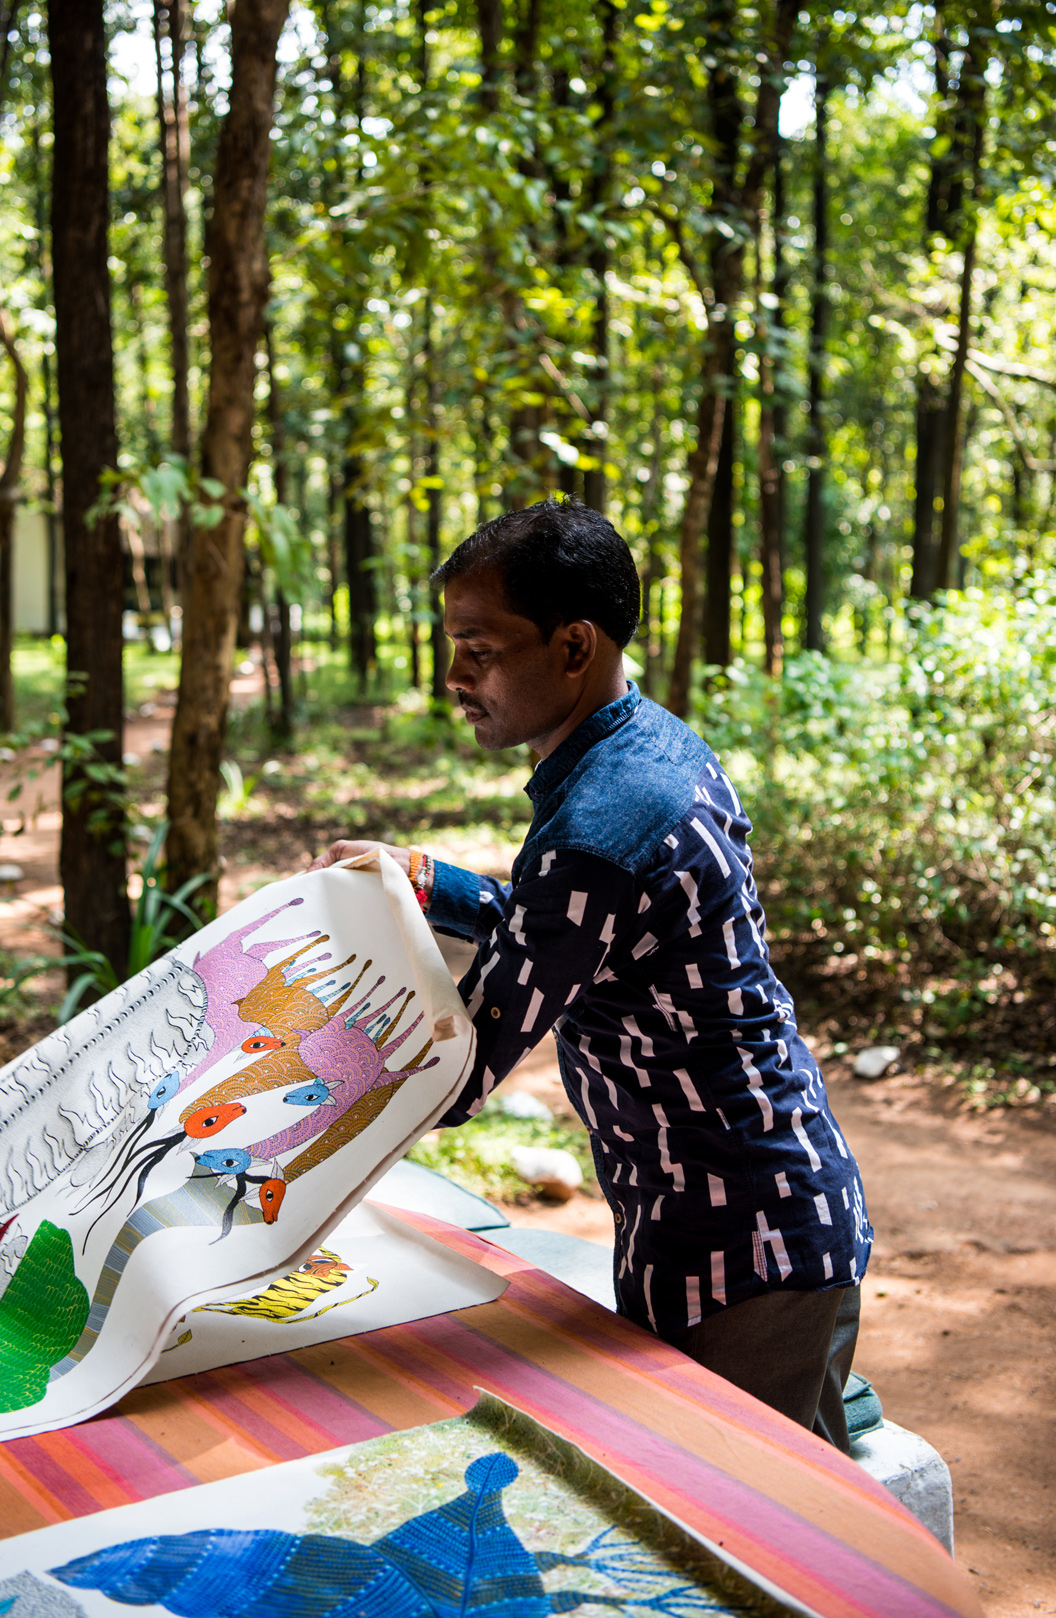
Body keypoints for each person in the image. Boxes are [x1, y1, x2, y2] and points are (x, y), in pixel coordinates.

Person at [310, 499, 871, 1450]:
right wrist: (425, 879)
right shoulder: (644, 746)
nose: (454, 678)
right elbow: (573, 937)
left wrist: (271, 1076)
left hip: (742, 1250)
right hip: (752, 1209)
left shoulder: (601, 822)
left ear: (574, 645)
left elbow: (461, 1065)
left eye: (477, 649)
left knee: (744, 1531)